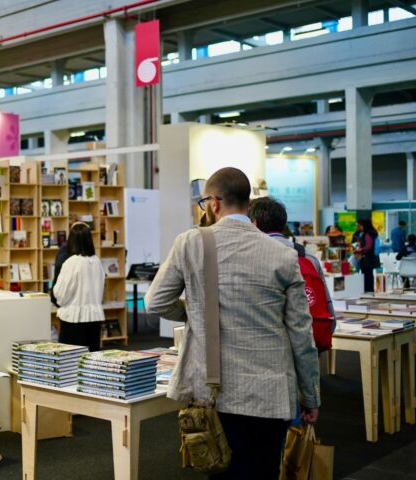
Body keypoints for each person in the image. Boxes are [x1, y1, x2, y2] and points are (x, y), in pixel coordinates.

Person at [145, 167, 320, 480]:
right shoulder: (283, 254)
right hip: (272, 393)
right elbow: (301, 335)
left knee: (222, 472)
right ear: (248, 204)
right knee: (265, 470)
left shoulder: (190, 242)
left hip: (215, 390)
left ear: (213, 203)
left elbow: (155, 301)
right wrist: (310, 397)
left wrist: (195, 311)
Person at [249, 197, 336, 349]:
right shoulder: (307, 256)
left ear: (254, 222)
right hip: (310, 339)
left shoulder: (254, 256)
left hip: (274, 347)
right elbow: (327, 305)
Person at [52, 223, 105, 352]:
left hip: (73, 319)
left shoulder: (71, 262)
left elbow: (61, 294)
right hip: (95, 318)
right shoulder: (97, 261)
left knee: (70, 362)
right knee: (91, 360)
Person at [354, 219, 380, 292]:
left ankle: (367, 290)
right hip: (372, 258)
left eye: (360, 225)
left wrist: (360, 249)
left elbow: (368, 246)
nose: (359, 227)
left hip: (366, 259)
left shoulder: (367, 234)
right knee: (369, 275)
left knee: (366, 275)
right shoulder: (372, 233)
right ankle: (370, 290)